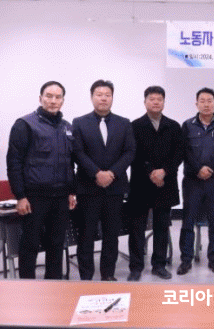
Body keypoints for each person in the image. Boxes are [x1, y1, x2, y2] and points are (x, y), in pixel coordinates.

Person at [7, 81, 77, 279]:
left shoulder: (67, 127)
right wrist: (20, 196)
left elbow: (70, 163)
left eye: (57, 97)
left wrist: (71, 191)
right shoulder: (25, 124)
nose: (53, 101)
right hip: (34, 196)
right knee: (30, 243)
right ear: (40, 98)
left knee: (56, 243)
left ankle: (53, 283)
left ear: (63, 101)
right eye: (49, 96)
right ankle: (27, 286)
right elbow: (14, 163)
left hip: (61, 196)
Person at [71, 80, 135, 281]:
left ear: (112, 98)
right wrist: (96, 173)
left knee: (111, 235)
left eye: (107, 95)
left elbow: (130, 151)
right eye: (99, 94)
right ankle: (86, 276)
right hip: (88, 188)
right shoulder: (79, 122)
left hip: (115, 189)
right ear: (92, 97)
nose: (103, 98)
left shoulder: (124, 123)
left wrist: (112, 173)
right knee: (86, 235)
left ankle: (108, 275)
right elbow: (77, 152)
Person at [127, 85, 183, 281]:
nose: (156, 102)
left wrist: (164, 171)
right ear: (145, 102)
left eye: (159, 99)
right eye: (152, 99)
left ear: (164, 102)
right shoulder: (134, 126)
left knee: (162, 227)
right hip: (141, 184)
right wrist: (151, 172)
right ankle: (136, 267)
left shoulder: (173, 126)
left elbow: (179, 154)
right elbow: (132, 154)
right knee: (137, 229)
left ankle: (159, 265)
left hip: (164, 184)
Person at [177, 87, 214, 275]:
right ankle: (186, 260)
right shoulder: (187, 125)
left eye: (210, 101)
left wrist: (210, 169)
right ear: (196, 103)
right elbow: (184, 150)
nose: (206, 104)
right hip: (192, 181)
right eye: (202, 101)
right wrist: (198, 169)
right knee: (188, 221)